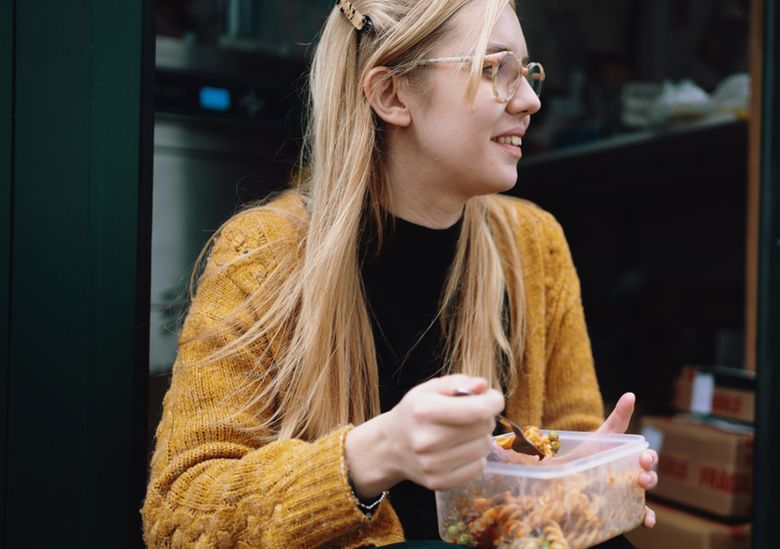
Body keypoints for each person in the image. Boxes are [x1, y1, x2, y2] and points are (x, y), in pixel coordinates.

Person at [141, 0, 659, 546]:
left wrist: (586, 485)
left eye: (528, 72)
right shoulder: (262, 254)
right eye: (494, 69)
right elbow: (178, 516)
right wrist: (375, 454)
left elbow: (567, 464)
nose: (530, 100)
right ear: (391, 95)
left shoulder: (534, 246)